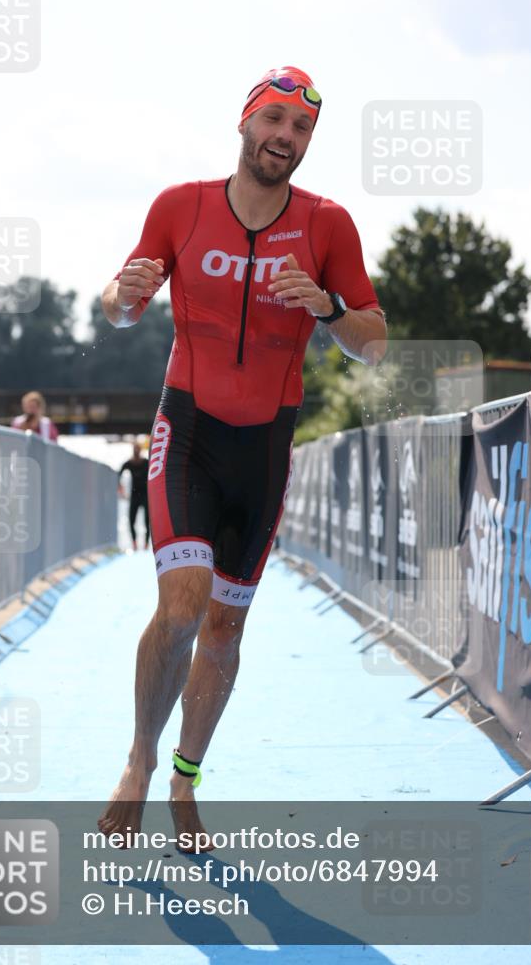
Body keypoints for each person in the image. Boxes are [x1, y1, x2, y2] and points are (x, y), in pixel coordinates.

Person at [98, 66, 387, 848]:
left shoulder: (327, 224)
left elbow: (373, 342)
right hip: (188, 431)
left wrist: (328, 307)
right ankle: (139, 759)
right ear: (244, 122)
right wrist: (121, 292)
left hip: (264, 447)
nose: (284, 137)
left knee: (223, 630)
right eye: (274, 120)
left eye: (300, 129)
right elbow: (119, 310)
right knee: (182, 605)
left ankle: (184, 778)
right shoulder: (180, 206)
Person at [119, 441, 150, 551]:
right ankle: (134, 542)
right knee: (131, 520)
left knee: (147, 521)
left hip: (145, 495)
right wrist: (120, 487)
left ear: (140, 451)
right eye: (135, 449)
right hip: (135, 494)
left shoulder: (146, 462)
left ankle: (146, 543)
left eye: (138, 449)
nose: (136, 451)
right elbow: (119, 473)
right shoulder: (130, 463)